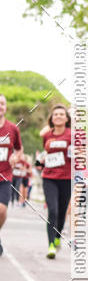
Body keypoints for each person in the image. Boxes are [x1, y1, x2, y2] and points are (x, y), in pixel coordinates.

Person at [40, 105, 72, 259]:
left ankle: (58, 236)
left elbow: (81, 154)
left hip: (66, 179)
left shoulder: (73, 135)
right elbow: (46, 153)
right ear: (51, 119)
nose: (58, 116)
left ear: (67, 118)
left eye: (61, 114)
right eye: (55, 115)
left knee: (61, 211)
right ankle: (51, 244)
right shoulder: (47, 135)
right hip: (49, 177)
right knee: (52, 210)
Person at [0, 94, 24, 256]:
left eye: (2, 103)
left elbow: (19, 149)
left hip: (4, 176)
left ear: (6, 107)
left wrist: (16, 157)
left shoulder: (12, 128)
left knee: (1, 211)